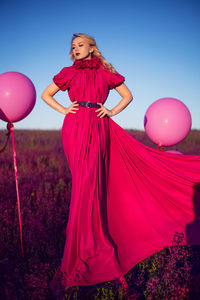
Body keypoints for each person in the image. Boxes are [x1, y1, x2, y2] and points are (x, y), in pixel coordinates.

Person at [41, 33, 200, 291]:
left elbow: (128, 96)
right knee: (82, 185)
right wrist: (65, 110)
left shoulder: (105, 73)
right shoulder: (67, 72)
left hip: (99, 125)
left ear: (92, 49)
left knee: (91, 185)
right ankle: (82, 249)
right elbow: (46, 95)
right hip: (75, 127)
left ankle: (90, 248)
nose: (76, 49)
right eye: (73, 47)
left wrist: (111, 111)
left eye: (81, 45)